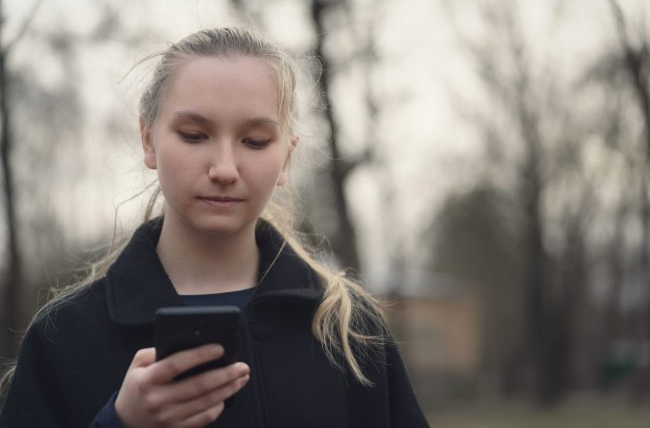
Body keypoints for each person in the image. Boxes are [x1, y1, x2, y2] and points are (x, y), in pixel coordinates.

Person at [0, 27, 429, 428]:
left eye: (255, 141)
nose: (224, 169)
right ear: (148, 140)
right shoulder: (64, 337)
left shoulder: (348, 329)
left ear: (287, 156)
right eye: (193, 134)